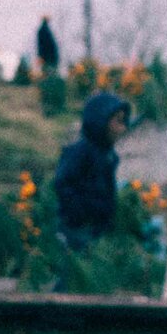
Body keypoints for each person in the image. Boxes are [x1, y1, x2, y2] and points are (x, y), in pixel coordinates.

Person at [51, 90, 129, 252]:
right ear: (101, 121)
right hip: (76, 230)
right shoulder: (80, 152)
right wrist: (81, 213)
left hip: (97, 230)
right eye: (118, 121)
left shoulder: (109, 156)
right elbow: (63, 185)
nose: (122, 128)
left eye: (124, 122)